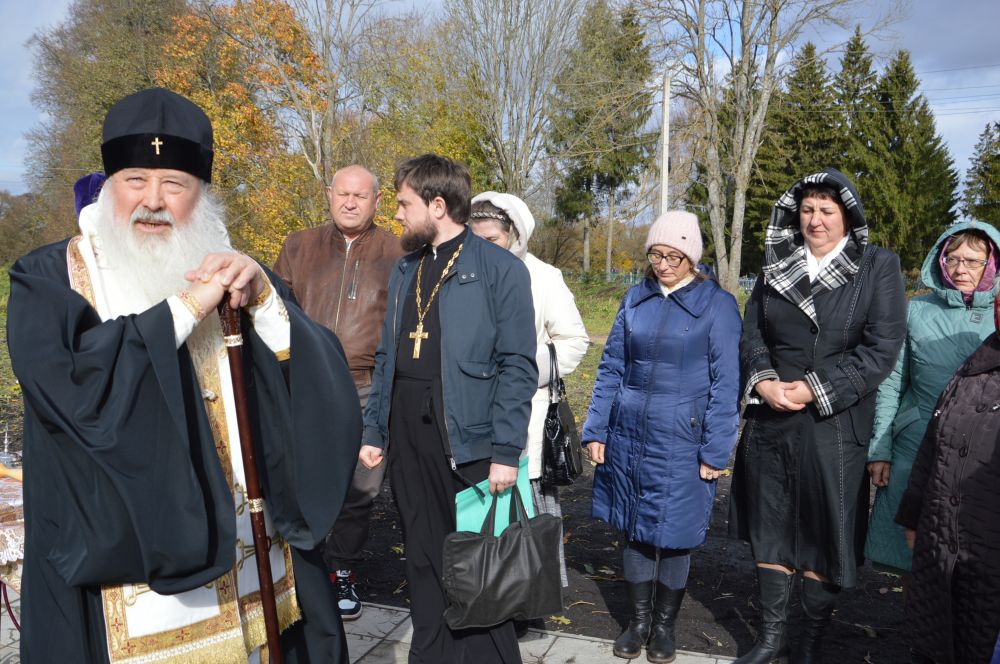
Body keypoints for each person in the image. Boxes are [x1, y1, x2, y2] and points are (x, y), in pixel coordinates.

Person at [8, 88, 361, 663]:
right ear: (109, 183)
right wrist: (186, 308)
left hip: (253, 563)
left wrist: (267, 300)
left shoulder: (238, 271)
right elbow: (68, 383)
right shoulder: (51, 276)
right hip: (127, 573)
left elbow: (319, 383)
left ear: (201, 193)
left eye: (174, 184)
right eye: (135, 181)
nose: (154, 202)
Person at [358, 154, 537, 663]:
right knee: (421, 553)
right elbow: (388, 353)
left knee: (473, 560)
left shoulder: (499, 268)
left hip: (466, 430)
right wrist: (376, 431)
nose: (396, 214)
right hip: (406, 425)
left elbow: (516, 366)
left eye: (403, 204)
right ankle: (431, 653)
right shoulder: (406, 267)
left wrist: (506, 449)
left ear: (438, 205)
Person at [728, 168, 907, 664]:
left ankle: (807, 644)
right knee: (771, 526)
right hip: (772, 419)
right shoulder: (775, 267)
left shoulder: (878, 266)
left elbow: (882, 348)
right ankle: (771, 638)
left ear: (847, 215)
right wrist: (763, 381)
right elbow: (752, 335)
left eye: (827, 210)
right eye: (807, 209)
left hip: (834, 425)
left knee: (824, 533)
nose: (816, 220)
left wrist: (815, 388)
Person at [582, 211, 742, 663]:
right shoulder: (635, 299)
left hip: (683, 441)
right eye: (656, 254)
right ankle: (636, 623)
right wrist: (597, 429)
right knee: (634, 530)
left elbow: (725, 383)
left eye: (675, 255)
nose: (664, 264)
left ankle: (665, 628)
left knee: (673, 535)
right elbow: (612, 365)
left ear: (692, 257)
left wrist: (716, 448)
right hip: (629, 435)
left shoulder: (717, 306)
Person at [273, 164, 404, 620]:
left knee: (360, 488)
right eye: (343, 193)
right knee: (301, 480)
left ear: (377, 201)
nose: (350, 202)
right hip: (306, 386)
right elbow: (275, 311)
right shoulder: (298, 245)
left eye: (361, 196)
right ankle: (299, 572)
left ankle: (341, 572)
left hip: (367, 386)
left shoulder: (399, 251)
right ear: (329, 194)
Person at [865, 221, 1000, 582]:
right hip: (916, 439)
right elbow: (893, 382)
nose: (960, 269)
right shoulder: (916, 310)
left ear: (993, 263)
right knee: (913, 551)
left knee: (972, 553)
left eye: (973, 261)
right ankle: (916, 634)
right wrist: (881, 448)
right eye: (952, 259)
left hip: (982, 448)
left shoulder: (999, 314)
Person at [468, 191, 588, 588]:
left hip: (525, 413)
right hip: (471, 416)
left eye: (493, 240)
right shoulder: (463, 273)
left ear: (514, 236)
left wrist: (518, 369)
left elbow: (573, 340)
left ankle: (536, 595)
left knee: (530, 508)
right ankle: (487, 591)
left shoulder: (542, 276)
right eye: (475, 238)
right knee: (479, 509)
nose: (483, 248)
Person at [895, 295, 1000, 664]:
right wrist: (914, 515)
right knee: (936, 644)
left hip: (988, 554)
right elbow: (933, 443)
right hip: (942, 539)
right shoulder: (973, 367)